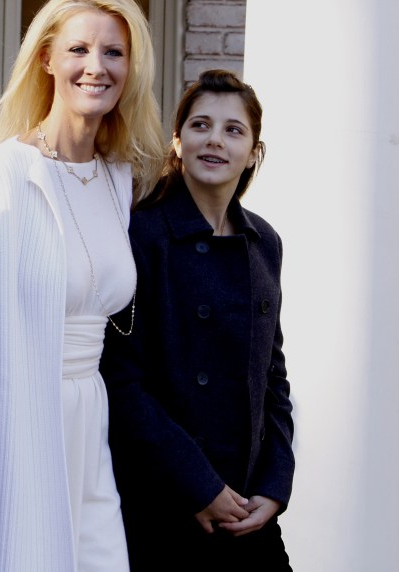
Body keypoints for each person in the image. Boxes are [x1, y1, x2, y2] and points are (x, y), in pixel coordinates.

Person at [0, 0, 164, 571]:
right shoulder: (0, 177)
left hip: (91, 425)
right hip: (18, 421)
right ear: (46, 58)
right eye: (78, 49)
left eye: (113, 52)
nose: (95, 67)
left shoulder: (121, 180)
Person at [102, 69, 295, 570]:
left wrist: (274, 486)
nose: (215, 139)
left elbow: (272, 375)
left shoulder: (264, 242)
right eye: (200, 125)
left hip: (248, 511)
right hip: (165, 504)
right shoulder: (140, 234)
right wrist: (199, 485)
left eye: (233, 130)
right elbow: (121, 380)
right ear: (177, 141)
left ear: (254, 151)